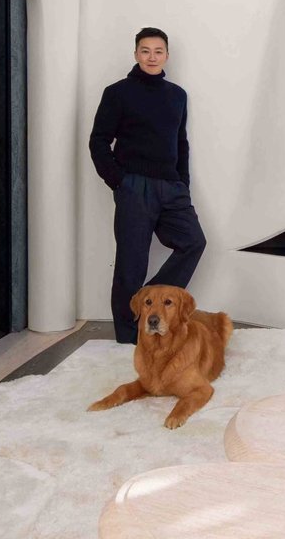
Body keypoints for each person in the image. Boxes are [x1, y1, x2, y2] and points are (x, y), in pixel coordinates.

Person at [89, 28, 207, 344]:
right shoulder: (118, 93)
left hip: (172, 187)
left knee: (194, 242)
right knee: (132, 261)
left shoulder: (177, 95)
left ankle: (146, 299)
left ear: (166, 55)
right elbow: (99, 140)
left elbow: (180, 143)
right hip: (134, 187)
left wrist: (183, 183)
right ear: (136, 54)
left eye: (158, 51)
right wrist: (119, 181)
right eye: (145, 50)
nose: (151, 57)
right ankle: (129, 337)